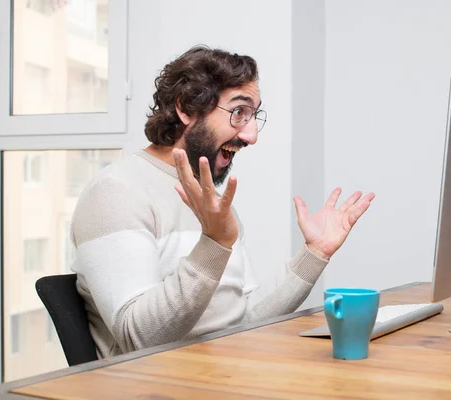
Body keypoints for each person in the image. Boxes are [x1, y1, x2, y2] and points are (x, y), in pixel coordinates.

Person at [70, 45, 375, 358]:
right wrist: (214, 244)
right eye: (238, 112)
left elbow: (242, 320)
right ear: (187, 108)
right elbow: (139, 339)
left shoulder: (212, 203)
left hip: (226, 370)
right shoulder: (114, 193)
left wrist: (314, 253)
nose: (251, 135)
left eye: (254, 116)